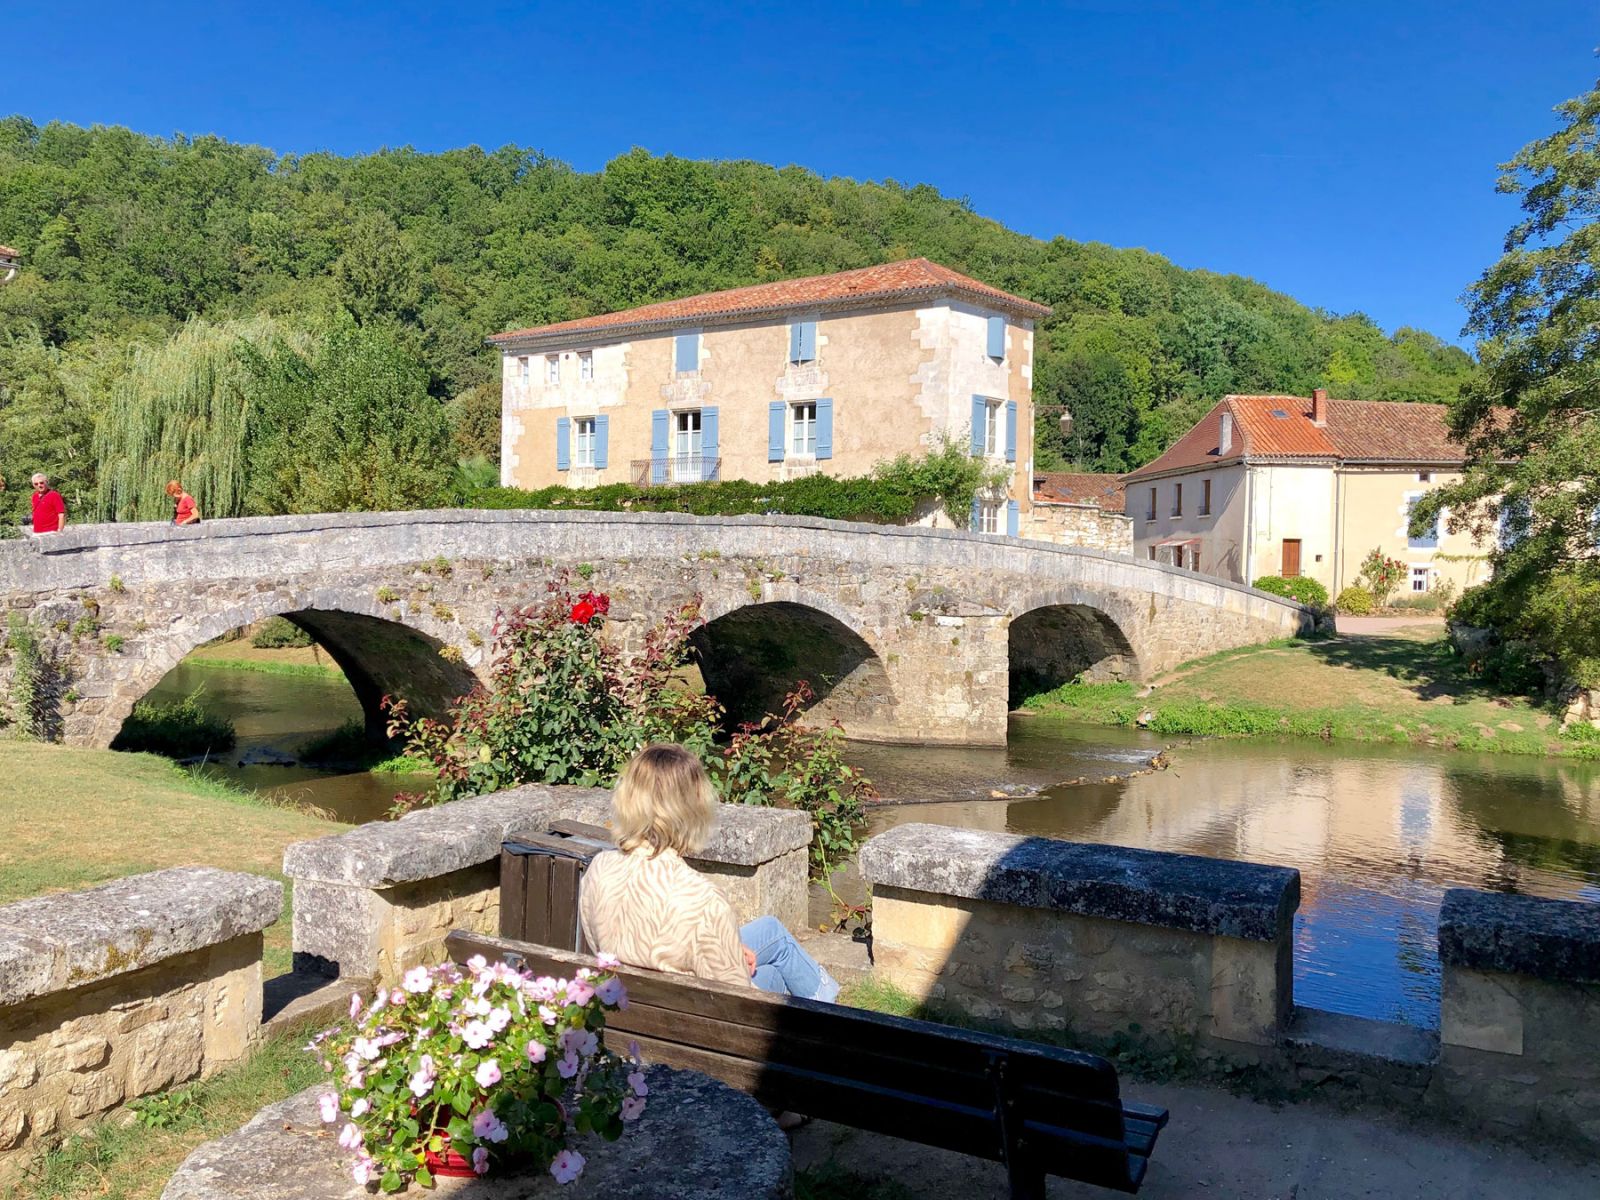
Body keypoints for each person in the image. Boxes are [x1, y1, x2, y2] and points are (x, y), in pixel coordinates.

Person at [579, 743, 841, 1003]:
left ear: (628, 798)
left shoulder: (599, 868)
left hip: (630, 1004)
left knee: (771, 930)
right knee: (775, 975)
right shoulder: (704, 902)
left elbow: (601, 945)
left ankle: (829, 1008)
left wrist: (728, 950)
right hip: (690, 1021)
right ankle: (832, 1020)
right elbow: (737, 1008)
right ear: (694, 808)